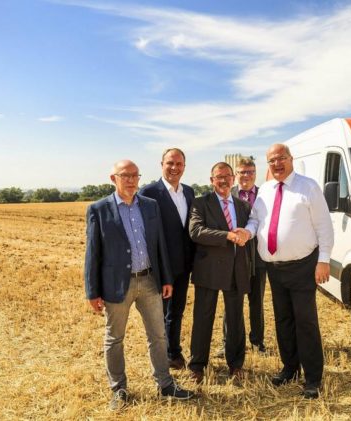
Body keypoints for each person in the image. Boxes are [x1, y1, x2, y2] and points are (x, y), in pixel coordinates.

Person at [84, 159, 194, 411]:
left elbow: (159, 245)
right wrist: (92, 291)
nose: (131, 180)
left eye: (135, 175)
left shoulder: (149, 205)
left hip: (149, 281)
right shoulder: (98, 209)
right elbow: (93, 253)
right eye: (125, 175)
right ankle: (119, 389)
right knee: (115, 338)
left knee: (158, 335)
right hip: (117, 284)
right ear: (113, 179)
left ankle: (165, 384)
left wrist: (166, 278)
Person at [243, 144, 334, 399]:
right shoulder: (265, 190)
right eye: (272, 160)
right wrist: (247, 232)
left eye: (281, 158)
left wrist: (324, 260)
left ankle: (313, 378)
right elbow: (255, 220)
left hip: (303, 265)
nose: (277, 164)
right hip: (275, 268)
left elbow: (324, 226)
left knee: (305, 321)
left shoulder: (309, 187)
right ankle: (290, 368)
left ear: (291, 159)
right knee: (283, 320)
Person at [187, 162, 251, 383]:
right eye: (218, 177)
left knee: (235, 319)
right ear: (211, 180)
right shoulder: (200, 203)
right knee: (203, 317)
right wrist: (227, 236)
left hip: (236, 269)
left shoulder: (243, 206)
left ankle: (236, 365)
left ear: (233, 178)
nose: (223, 180)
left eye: (227, 176)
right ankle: (197, 366)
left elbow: (250, 233)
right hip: (209, 269)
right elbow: (196, 231)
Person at [140, 148, 195, 370]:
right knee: (159, 313)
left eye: (179, 164)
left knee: (177, 311)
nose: (174, 168)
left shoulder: (189, 192)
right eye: (170, 163)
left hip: (183, 264)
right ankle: (161, 356)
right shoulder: (149, 192)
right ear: (161, 164)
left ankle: (173, 352)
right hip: (160, 266)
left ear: (184, 167)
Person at [217, 158, 268, 357]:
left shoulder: (265, 195)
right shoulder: (227, 193)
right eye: (242, 172)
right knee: (232, 302)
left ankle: (257, 342)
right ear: (235, 175)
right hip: (235, 257)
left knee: (257, 301)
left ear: (255, 173)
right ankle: (227, 342)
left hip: (258, 256)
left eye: (250, 172)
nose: (246, 176)